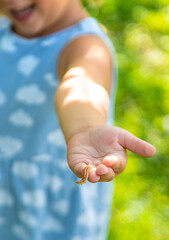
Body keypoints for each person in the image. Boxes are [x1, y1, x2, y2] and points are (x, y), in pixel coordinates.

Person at [0, 0, 156, 239]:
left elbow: (82, 84)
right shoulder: (5, 30)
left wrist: (85, 127)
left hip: (48, 203)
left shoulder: (85, 46)